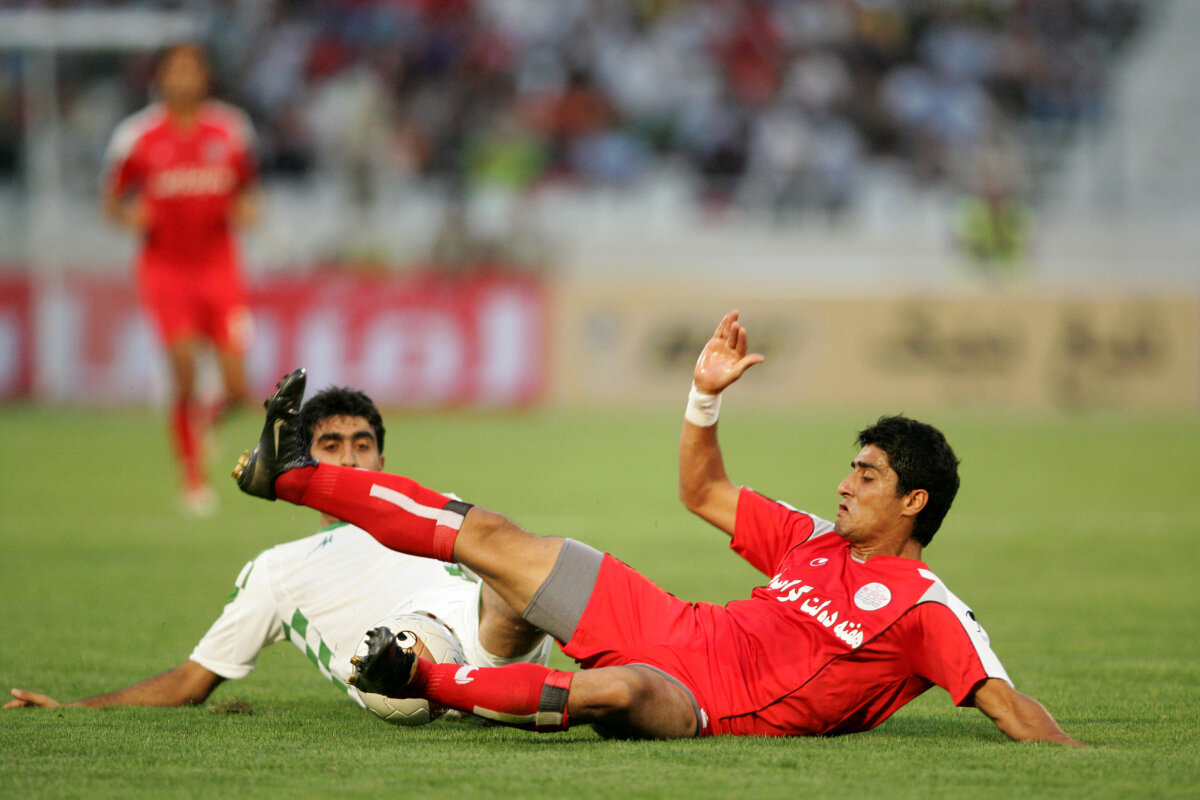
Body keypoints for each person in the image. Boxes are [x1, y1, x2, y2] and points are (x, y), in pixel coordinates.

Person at [231, 312, 1081, 744]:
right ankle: (292, 474)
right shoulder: (814, 538)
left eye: (867, 475)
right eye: (850, 467)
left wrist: (1082, 756)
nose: (843, 484)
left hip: (701, 705)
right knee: (497, 537)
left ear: (914, 502)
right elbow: (703, 490)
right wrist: (704, 395)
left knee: (619, 692)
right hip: (670, 623)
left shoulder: (926, 608)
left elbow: (1007, 706)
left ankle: (426, 681)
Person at [5, 385, 550, 711]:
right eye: (331, 446)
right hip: (396, 665)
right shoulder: (277, 570)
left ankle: (591, 670)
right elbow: (193, 679)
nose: (350, 460)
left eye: (362, 445)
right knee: (410, 645)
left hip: (483, 633)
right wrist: (73, 708)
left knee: (531, 577)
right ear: (302, 463)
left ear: (382, 462)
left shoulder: (428, 508)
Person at [101, 42, 260, 515]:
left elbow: (248, 190)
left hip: (220, 268)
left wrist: (248, 210)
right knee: (184, 370)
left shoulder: (230, 130)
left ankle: (206, 422)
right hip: (166, 270)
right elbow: (112, 200)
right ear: (161, 78)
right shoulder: (138, 137)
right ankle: (193, 480)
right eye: (176, 70)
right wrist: (129, 217)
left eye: (192, 69)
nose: (184, 79)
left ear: (206, 77)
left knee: (238, 389)